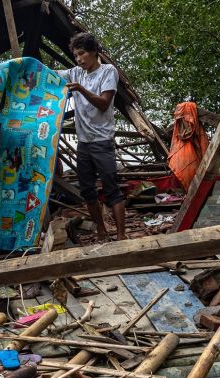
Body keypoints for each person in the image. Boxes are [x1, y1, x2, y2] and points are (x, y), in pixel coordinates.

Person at [61, 32, 126, 241]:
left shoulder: (108, 71)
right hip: (84, 143)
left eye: (82, 54)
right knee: (88, 191)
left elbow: (104, 103)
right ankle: (101, 231)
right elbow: (51, 74)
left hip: (102, 141)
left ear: (94, 51)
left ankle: (122, 235)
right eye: (76, 56)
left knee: (111, 189)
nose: (79, 59)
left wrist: (80, 89)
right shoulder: (75, 72)